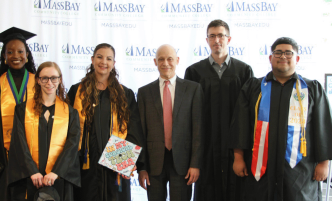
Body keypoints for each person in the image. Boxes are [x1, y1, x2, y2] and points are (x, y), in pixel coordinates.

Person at [230, 37, 332, 200]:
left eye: (288, 53)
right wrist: (238, 157)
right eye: (277, 53)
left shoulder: (311, 89)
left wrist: (324, 163)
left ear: (297, 59)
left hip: (299, 170)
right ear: (270, 58)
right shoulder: (254, 87)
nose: (282, 56)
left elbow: (323, 126)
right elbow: (241, 124)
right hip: (261, 168)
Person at [184, 19, 254, 201]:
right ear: (206, 40)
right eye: (212, 36)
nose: (217, 40)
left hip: (235, 148)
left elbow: (249, 115)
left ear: (229, 39)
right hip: (206, 147)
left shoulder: (244, 71)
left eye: (221, 35)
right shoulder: (194, 72)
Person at [67, 43, 144, 201]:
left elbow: (134, 130)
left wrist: (121, 162)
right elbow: (67, 128)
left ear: (114, 63)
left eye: (109, 58)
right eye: (100, 57)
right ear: (92, 59)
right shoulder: (76, 91)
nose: (104, 62)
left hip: (115, 165)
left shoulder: (125, 94)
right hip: (85, 164)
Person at [0, 27, 37, 201]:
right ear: (4, 56)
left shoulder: (38, 83)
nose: (15, 55)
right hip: (5, 158)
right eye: (10, 52)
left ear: (27, 55)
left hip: (33, 156)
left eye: (20, 51)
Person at [137, 44, 203, 201]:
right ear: (155, 62)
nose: (165, 63)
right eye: (161, 59)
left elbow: (198, 129)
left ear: (177, 60)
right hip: (153, 164)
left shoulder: (193, 89)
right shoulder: (144, 92)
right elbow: (141, 132)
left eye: (170, 59)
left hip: (183, 162)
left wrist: (195, 163)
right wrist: (142, 167)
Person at [7, 61, 81, 201]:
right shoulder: (22, 110)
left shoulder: (71, 113)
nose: (49, 82)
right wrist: (32, 171)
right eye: (44, 78)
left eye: (54, 78)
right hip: (30, 179)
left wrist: (55, 173)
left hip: (58, 180)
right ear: (38, 80)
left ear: (59, 80)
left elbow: (71, 147)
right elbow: (19, 143)